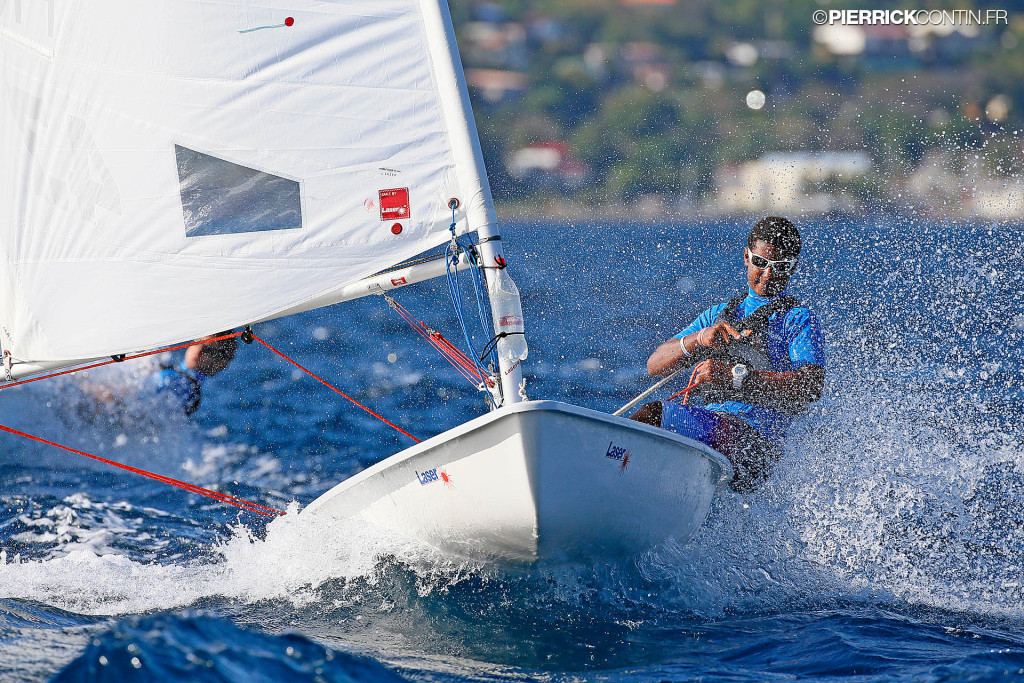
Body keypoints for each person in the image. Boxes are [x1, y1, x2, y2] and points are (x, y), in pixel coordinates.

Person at [632, 216, 825, 492]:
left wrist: (737, 377)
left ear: (792, 269)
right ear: (746, 257)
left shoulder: (798, 320)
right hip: (710, 433)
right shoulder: (717, 315)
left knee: (652, 414)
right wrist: (698, 339)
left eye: (780, 268)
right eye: (760, 263)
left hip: (755, 448)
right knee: (647, 426)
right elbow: (654, 365)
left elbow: (810, 387)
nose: (768, 275)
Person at [144, 334, 239, 416]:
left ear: (222, 363)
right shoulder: (174, 378)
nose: (198, 349)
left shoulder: (169, 378)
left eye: (207, 349)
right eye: (197, 341)